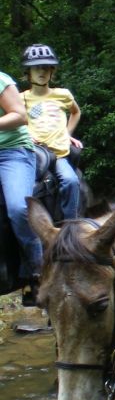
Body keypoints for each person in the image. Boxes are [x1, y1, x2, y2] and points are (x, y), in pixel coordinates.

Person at [20, 43, 82, 220]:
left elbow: (76, 112)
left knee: (70, 181)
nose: (42, 72)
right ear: (28, 73)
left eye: (46, 68)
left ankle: (71, 224)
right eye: (36, 68)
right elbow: (17, 121)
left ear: (52, 71)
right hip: (35, 153)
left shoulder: (63, 94)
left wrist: (67, 133)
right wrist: (26, 134)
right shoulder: (21, 98)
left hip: (58, 153)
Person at [0, 67, 42, 305]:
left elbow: (19, 114)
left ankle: (39, 268)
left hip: (12, 152)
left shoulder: (1, 80)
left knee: (18, 208)